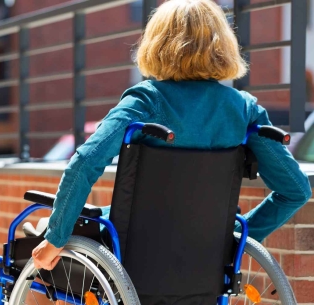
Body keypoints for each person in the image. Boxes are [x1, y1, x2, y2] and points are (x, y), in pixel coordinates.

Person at [32, 0, 312, 271]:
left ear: (157, 44)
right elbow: (296, 190)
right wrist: (235, 237)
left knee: (40, 235)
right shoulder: (244, 109)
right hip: (206, 252)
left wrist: (55, 238)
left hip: (133, 250)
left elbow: (85, 161)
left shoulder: (145, 101)